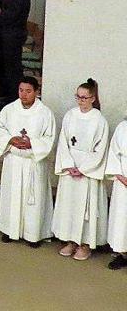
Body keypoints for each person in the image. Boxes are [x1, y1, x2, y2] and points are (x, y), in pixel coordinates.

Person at [0, 76, 55, 247]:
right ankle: (9, 230)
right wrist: (10, 140)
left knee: (32, 200)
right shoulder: (9, 109)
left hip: (32, 163)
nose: (24, 94)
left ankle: (33, 234)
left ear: (37, 91)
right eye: (21, 90)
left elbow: (49, 138)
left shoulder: (45, 113)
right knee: (11, 196)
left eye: (28, 91)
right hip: (14, 160)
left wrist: (32, 143)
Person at [52, 79, 109, 260]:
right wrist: (69, 165)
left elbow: (101, 150)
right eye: (78, 97)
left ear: (93, 98)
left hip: (87, 171)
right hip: (70, 168)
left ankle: (84, 243)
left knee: (86, 209)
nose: (80, 101)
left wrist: (83, 169)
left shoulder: (99, 120)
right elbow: (63, 142)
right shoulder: (70, 115)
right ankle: (70, 240)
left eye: (84, 97)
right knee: (69, 205)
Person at [106, 110, 127, 270]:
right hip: (123, 180)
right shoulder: (122, 127)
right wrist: (120, 176)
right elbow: (113, 153)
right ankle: (122, 253)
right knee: (121, 218)